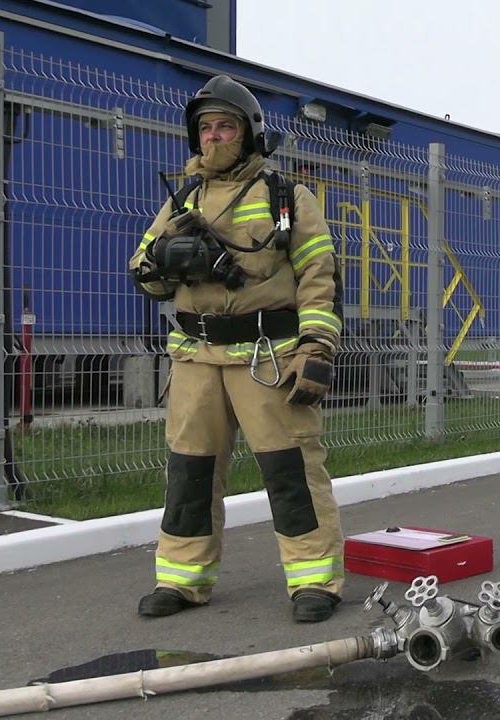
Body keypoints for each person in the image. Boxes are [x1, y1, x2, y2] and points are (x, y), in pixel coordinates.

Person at [128, 75, 346, 622]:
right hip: (195, 358)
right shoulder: (184, 201)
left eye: (225, 126)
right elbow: (143, 273)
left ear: (249, 134)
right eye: (205, 128)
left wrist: (317, 346)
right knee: (189, 474)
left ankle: (314, 580)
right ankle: (182, 579)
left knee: (289, 470)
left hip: (266, 356)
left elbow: (319, 276)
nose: (214, 137)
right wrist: (166, 260)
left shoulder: (287, 197)